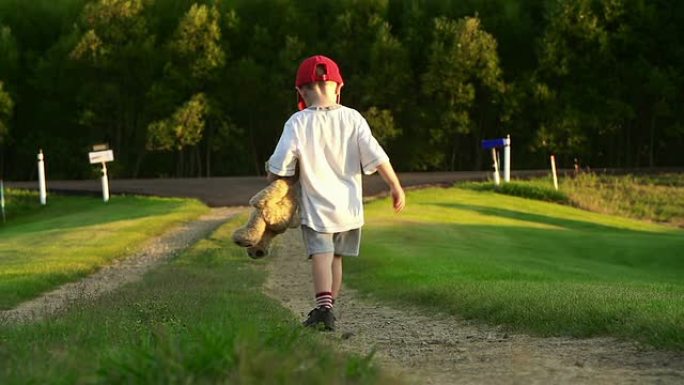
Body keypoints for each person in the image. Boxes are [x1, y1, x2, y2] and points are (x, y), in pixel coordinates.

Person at [266, 55, 405, 331]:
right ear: (338, 88)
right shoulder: (353, 118)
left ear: (300, 92)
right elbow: (377, 156)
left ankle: (323, 309)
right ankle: (328, 305)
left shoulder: (297, 122)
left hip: (317, 208)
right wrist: (395, 185)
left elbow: (281, 162)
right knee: (336, 258)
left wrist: (271, 181)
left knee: (321, 255)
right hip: (348, 208)